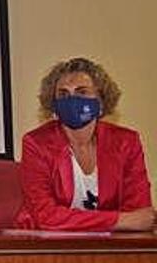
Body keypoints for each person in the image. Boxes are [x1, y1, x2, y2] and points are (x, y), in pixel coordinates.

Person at [15, 57, 155, 231]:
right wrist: (118, 221)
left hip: (111, 249)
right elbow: (46, 217)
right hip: (47, 250)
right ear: (54, 108)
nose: (72, 100)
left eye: (82, 92)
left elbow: (141, 215)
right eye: (63, 94)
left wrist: (126, 221)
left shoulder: (126, 142)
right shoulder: (36, 143)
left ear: (101, 102)